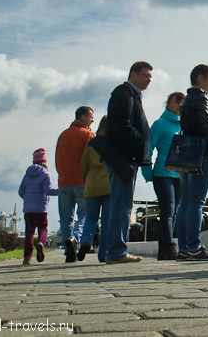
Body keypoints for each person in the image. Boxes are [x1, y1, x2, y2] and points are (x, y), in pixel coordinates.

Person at [102, 61, 152, 264]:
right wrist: (139, 140)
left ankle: (114, 250)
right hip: (122, 158)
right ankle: (116, 251)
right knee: (121, 206)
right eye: (145, 75)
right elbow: (121, 124)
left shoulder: (132, 95)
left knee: (120, 205)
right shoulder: (123, 93)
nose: (149, 79)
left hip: (127, 158)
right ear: (133, 74)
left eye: (150, 76)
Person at [175, 64, 208, 261]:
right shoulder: (201, 97)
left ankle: (184, 247)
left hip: (187, 152)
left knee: (185, 201)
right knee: (197, 201)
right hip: (201, 151)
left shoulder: (187, 100)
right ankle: (194, 247)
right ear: (200, 77)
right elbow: (206, 122)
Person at [141, 92, 185, 261]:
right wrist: (147, 172)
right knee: (168, 210)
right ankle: (169, 247)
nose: (180, 105)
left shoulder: (184, 126)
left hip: (180, 174)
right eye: (176, 102)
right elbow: (149, 147)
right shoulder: (159, 124)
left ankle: (165, 251)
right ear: (168, 104)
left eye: (182, 103)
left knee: (174, 212)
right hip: (162, 173)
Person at [55, 106, 95, 262]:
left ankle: (68, 250)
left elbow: (57, 158)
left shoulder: (63, 135)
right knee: (85, 214)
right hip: (82, 181)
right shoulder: (88, 135)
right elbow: (92, 159)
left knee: (65, 219)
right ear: (83, 117)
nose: (92, 120)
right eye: (91, 117)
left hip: (64, 181)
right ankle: (76, 239)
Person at [18, 148, 59, 265]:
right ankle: (41, 242)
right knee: (43, 228)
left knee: (29, 232)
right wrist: (62, 191)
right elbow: (48, 190)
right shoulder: (45, 174)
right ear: (44, 161)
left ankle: (27, 257)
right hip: (41, 208)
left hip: (28, 209)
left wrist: (28, 200)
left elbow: (21, 192)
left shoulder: (26, 175)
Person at [81, 116, 111, 263]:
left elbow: (83, 165)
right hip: (109, 183)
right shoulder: (112, 142)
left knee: (91, 217)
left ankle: (86, 240)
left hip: (92, 183)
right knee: (106, 220)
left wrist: (87, 179)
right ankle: (103, 254)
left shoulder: (91, 143)